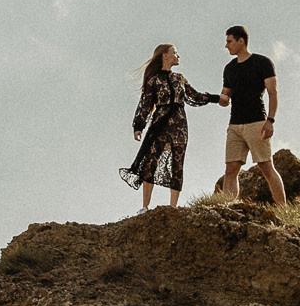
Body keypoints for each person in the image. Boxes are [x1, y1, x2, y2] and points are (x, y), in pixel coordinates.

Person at [120, 43, 216, 212]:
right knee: (151, 161)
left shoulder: (180, 78)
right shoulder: (153, 79)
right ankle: (145, 207)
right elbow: (146, 104)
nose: (178, 55)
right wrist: (138, 126)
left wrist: (216, 98)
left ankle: (173, 207)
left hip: (179, 125)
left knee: (177, 164)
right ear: (165, 55)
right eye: (175, 52)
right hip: (159, 124)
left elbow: (195, 96)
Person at [217, 25, 286, 205]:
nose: (226, 46)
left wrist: (270, 120)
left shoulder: (262, 62)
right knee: (231, 168)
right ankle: (228, 210)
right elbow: (226, 95)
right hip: (235, 125)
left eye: (229, 41)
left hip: (257, 122)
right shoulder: (229, 68)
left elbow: (273, 92)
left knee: (266, 167)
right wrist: (220, 99)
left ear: (241, 41)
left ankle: (284, 210)